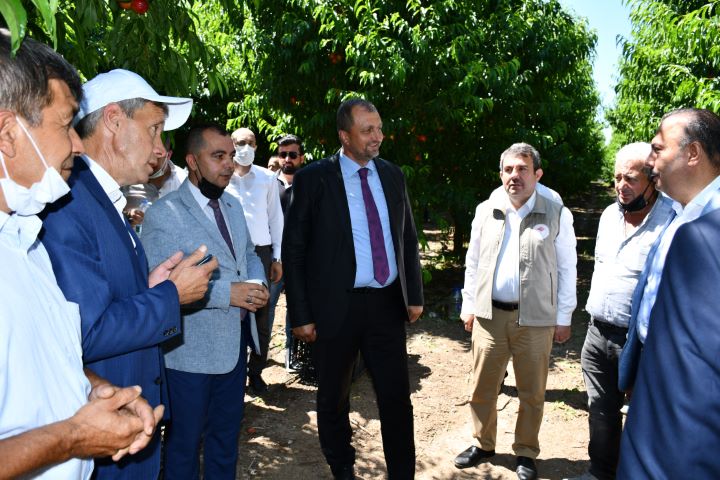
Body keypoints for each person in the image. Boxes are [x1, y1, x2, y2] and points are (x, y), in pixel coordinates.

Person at [40, 69, 217, 479]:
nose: (161, 148)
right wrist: (170, 296)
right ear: (114, 121)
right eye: (154, 130)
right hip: (106, 425)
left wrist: (150, 286)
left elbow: (104, 298)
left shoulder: (99, 197)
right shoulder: (69, 201)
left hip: (125, 419)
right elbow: (86, 330)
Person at [0, 30, 161, 478]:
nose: (76, 143)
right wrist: (73, 437)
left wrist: (96, 389)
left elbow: (41, 357)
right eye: (66, 123)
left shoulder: (24, 243)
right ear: (8, 133)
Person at [283, 99, 423, 479]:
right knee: (333, 396)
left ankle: (402, 473)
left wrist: (414, 296)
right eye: (367, 130)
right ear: (345, 136)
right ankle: (342, 467)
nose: (378, 137)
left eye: (379, 128)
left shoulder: (392, 175)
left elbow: (406, 237)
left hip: (386, 306)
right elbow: (293, 249)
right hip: (334, 308)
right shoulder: (314, 178)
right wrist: (301, 313)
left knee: (396, 397)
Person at [141, 123, 268, 479]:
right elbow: (162, 285)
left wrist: (256, 283)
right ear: (193, 161)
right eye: (218, 156)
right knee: (183, 445)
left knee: (225, 442)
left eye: (230, 156)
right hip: (189, 355)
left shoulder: (232, 205)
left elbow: (248, 254)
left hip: (233, 349)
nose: (229, 164)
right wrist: (230, 293)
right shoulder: (164, 214)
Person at [454, 143, 577, 480]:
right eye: (508, 170)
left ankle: (525, 451)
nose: (514, 176)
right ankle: (483, 443)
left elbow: (568, 268)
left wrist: (563, 317)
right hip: (490, 317)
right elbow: (473, 262)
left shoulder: (556, 213)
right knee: (482, 387)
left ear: (537, 174)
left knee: (532, 391)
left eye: (522, 169)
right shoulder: (486, 210)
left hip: (536, 319)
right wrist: (468, 305)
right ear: (501, 174)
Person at [616, 109, 720, 478]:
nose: (649, 158)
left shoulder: (712, 227)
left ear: (692, 154)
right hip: (655, 370)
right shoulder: (680, 213)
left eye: (658, 148)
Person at [563, 143, 673, 480]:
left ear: (653, 180)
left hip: (641, 341)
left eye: (631, 178)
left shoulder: (673, 220)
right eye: (616, 177)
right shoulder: (610, 216)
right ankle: (600, 471)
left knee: (644, 416)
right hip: (597, 333)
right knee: (600, 412)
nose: (621, 185)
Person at [226, 127, 283, 394]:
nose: (244, 147)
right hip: (229, 253)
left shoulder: (268, 178)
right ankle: (232, 373)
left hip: (261, 253)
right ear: (231, 145)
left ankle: (256, 372)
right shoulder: (222, 177)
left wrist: (277, 257)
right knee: (230, 315)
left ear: (257, 146)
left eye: (249, 142)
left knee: (262, 315)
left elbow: (276, 220)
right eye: (239, 143)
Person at [269, 134, 306, 371]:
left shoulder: (310, 183)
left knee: (297, 308)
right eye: (283, 154)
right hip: (275, 260)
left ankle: (292, 354)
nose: (287, 159)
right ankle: (259, 355)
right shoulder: (269, 183)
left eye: (292, 154)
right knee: (268, 306)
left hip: (302, 260)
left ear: (301, 157)